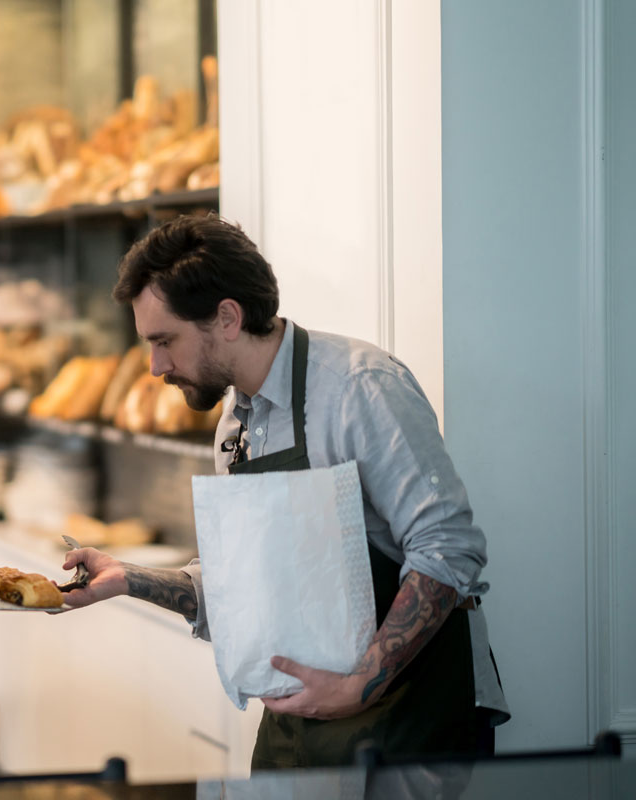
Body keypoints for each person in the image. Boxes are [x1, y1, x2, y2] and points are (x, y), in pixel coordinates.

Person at [62, 214, 508, 769]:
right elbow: (243, 581)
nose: (154, 367)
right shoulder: (237, 422)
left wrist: (358, 686)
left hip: (408, 720)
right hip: (298, 720)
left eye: (164, 340)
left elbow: (447, 547)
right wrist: (129, 580)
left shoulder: (358, 387)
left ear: (227, 317)